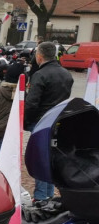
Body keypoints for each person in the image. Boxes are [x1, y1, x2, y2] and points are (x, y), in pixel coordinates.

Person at [24, 42, 74, 201]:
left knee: (40, 160)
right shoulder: (66, 73)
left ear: (39, 56)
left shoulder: (40, 74)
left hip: (41, 123)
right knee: (51, 160)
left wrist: (25, 121)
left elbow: (32, 103)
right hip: (59, 122)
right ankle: (49, 195)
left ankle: (40, 197)